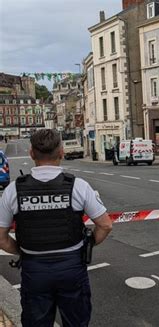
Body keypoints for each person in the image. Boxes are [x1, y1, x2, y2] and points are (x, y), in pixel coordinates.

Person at [0, 129, 113, 327]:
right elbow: (105, 225)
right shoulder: (78, 186)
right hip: (72, 268)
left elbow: (1, 238)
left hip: (34, 269)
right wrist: (87, 245)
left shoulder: (13, 190)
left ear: (31, 153)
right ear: (61, 152)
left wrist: (23, 250)